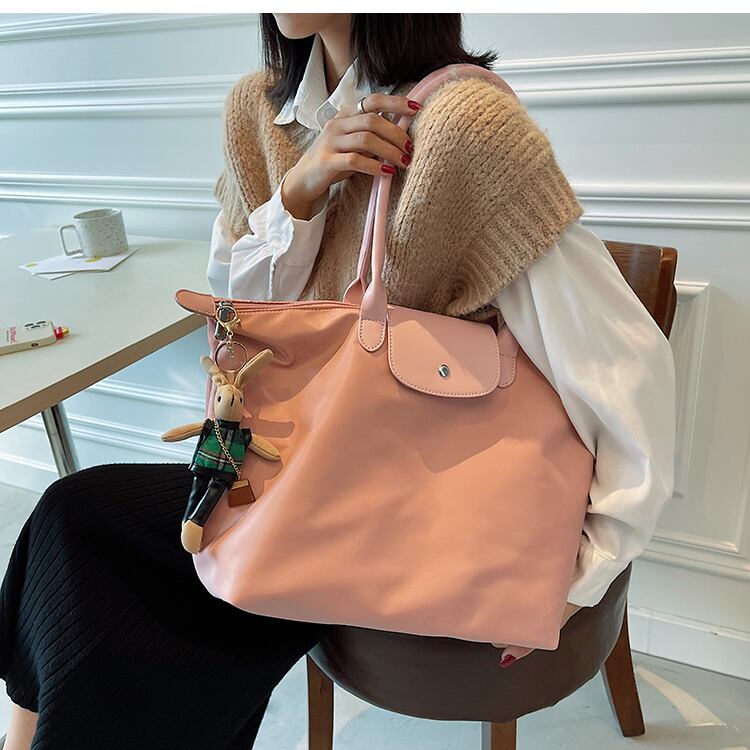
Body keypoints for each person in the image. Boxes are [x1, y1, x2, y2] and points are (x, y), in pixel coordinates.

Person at [0, 13, 676, 749]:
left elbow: (620, 366)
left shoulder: (465, 127)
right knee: (72, 523)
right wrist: (298, 194)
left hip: (411, 494)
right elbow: (238, 317)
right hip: (294, 465)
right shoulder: (258, 110)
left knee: (114, 579)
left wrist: (578, 575)